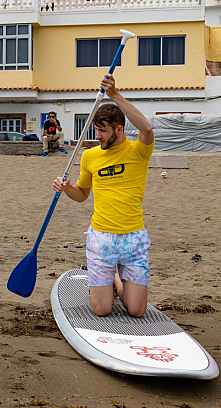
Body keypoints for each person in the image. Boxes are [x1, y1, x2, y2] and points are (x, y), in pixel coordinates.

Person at [52, 74, 154, 318]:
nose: (97, 136)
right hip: (101, 238)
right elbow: (82, 195)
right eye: (96, 130)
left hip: (134, 238)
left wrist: (115, 96)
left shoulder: (139, 151)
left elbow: (147, 128)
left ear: (119, 129)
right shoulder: (90, 156)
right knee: (102, 310)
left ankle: (116, 279)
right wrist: (66, 189)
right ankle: (109, 280)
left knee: (137, 310)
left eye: (102, 131)